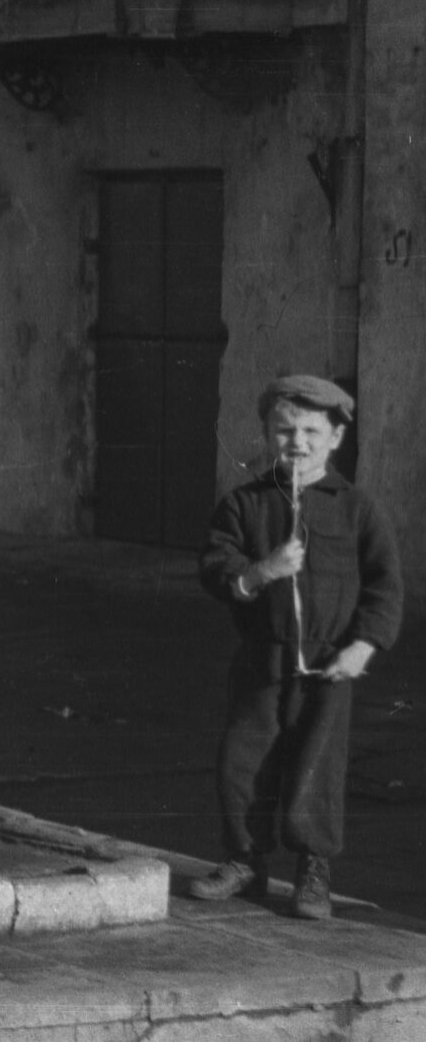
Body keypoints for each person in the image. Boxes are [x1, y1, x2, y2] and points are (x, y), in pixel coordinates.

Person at [189, 375, 402, 919]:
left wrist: (363, 646)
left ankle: (313, 869)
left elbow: (384, 588)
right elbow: (216, 566)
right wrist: (260, 572)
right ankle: (244, 860)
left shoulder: (357, 508)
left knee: (318, 764)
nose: (297, 442)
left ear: (335, 438)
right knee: (243, 758)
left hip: (331, 663)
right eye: (284, 430)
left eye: (311, 431)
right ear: (266, 433)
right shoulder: (244, 503)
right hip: (264, 655)